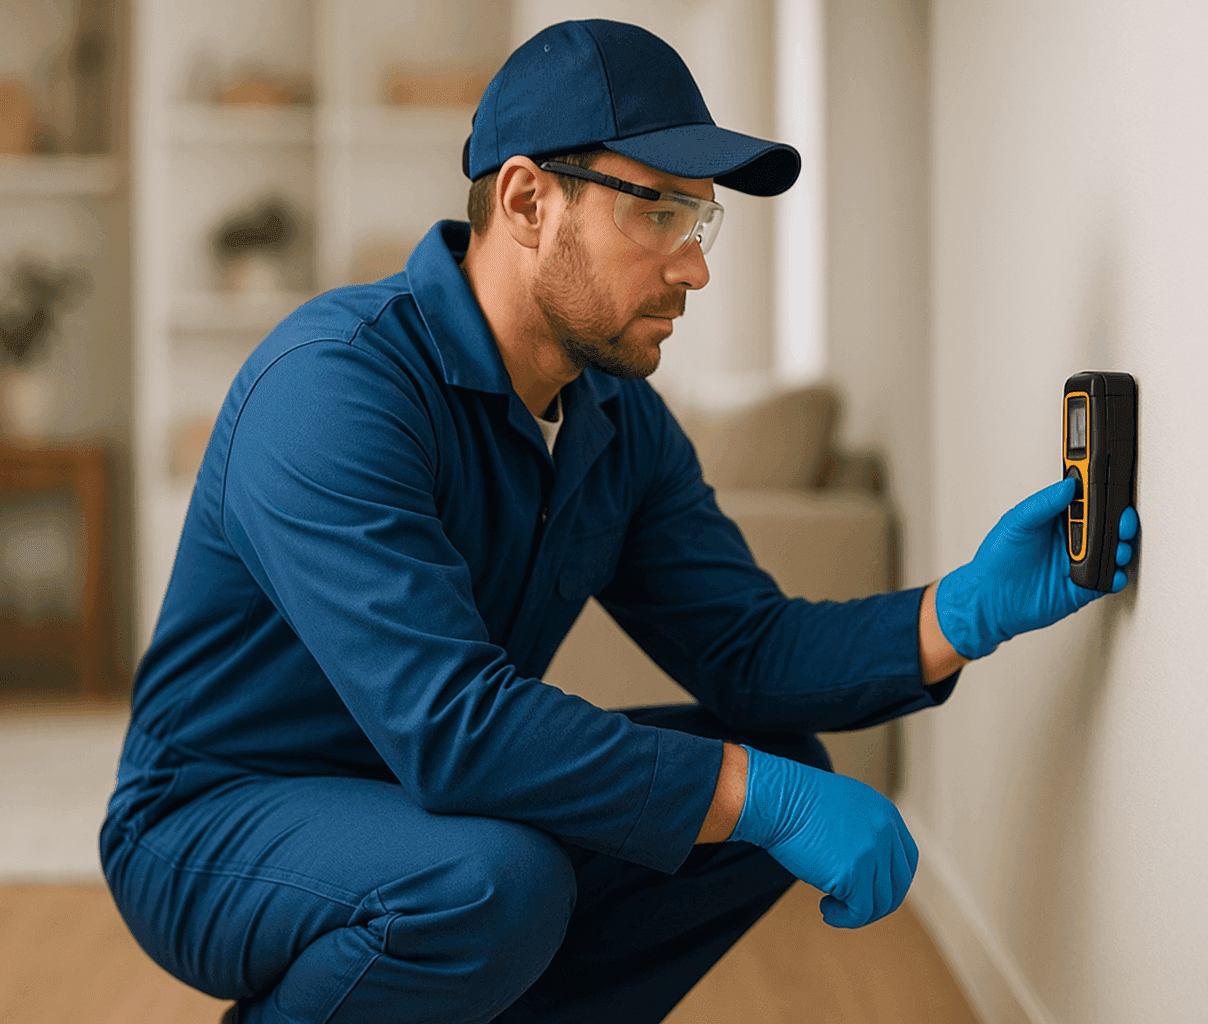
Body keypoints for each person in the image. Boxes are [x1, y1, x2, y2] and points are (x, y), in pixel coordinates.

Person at [101, 19, 1138, 1024]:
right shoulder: (334, 387)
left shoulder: (616, 420)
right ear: (526, 201)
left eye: (700, 221)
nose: (693, 266)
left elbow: (743, 648)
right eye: (656, 214)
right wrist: (754, 794)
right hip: (213, 818)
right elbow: (454, 725)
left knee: (764, 781)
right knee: (495, 883)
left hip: (414, 797)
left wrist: (963, 611)